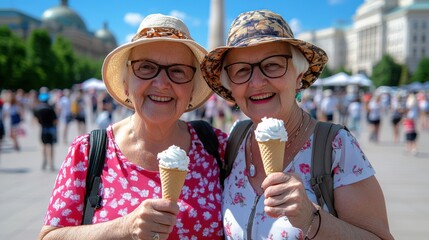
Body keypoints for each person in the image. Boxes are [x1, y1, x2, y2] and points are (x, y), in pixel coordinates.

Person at [201, 10, 393, 239]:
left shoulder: (335, 147)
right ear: (231, 86)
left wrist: (311, 219)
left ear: (298, 75)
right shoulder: (236, 138)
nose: (257, 81)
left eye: (272, 65)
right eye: (242, 70)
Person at [38, 14, 227, 240]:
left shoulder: (218, 147)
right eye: (146, 67)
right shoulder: (88, 151)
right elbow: (48, 237)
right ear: (126, 83)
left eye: (178, 71)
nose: (161, 83)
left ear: (192, 89)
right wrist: (125, 227)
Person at [33, 92, 58, 171]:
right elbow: (55, 120)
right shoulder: (51, 108)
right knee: (51, 146)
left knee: (43, 145)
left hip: (43, 128)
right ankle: (51, 163)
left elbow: (36, 119)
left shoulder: (38, 108)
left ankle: (44, 161)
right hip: (51, 128)